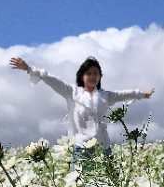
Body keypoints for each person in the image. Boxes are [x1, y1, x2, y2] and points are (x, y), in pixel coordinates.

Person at [10, 55, 155, 171]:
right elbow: (51, 79)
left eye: (96, 73)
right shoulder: (72, 92)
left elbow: (125, 94)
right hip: (81, 147)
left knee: (110, 186)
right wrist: (29, 68)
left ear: (100, 76)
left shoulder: (105, 95)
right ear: (82, 76)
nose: (92, 76)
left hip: (104, 147)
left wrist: (142, 94)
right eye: (89, 73)